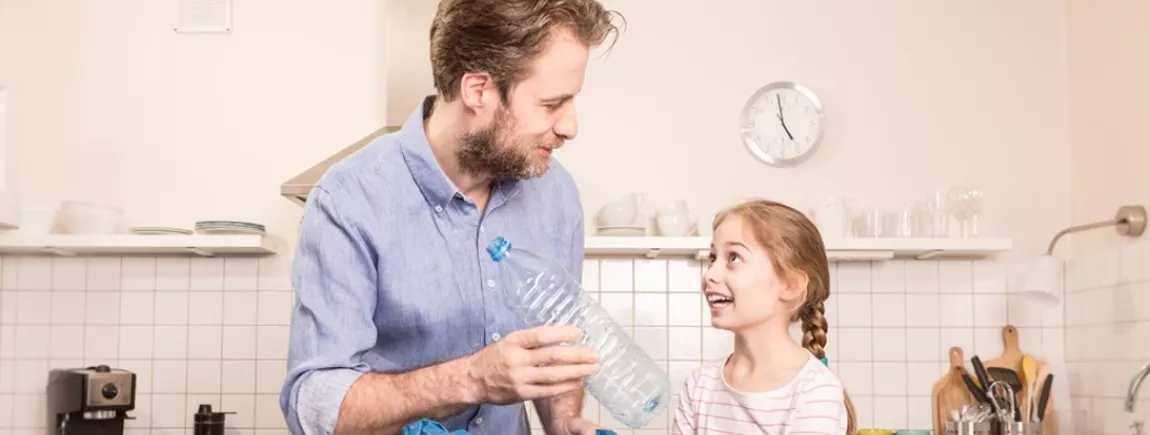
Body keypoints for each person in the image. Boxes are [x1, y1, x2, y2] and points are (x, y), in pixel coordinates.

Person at [278, 0, 625, 434]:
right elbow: (312, 404)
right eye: (552, 103)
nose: (571, 126)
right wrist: (471, 379)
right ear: (478, 90)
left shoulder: (556, 194)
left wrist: (567, 423)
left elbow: (556, 346)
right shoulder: (349, 200)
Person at [671, 199, 857, 435]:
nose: (710, 274)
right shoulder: (699, 386)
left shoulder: (816, 391)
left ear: (789, 284)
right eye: (712, 258)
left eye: (734, 258)